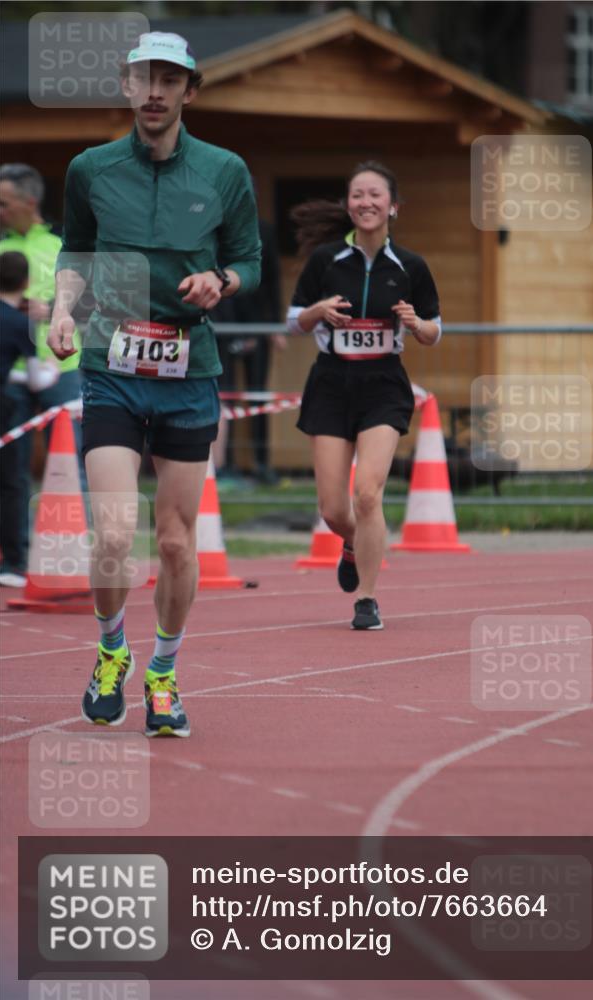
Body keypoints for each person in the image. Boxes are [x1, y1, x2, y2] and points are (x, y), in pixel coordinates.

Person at [47, 32, 261, 737]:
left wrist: (220, 281)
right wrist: (60, 311)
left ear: (189, 91)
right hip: (110, 361)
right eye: (143, 78)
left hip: (186, 374)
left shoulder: (225, 169)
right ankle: (111, 651)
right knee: (112, 533)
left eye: (168, 79)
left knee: (173, 542)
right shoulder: (91, 167)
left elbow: (248, 262)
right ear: (126, 84)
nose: (154, 91)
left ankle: (163, 673)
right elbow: (74, 249)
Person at [287, 161, 441, 631]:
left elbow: (435, 331)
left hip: (382, 387)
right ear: (348, 205)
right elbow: (293, 322)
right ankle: (353, 542)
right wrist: (316, 311)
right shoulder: (325, 261)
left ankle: (367, 599)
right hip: (331, 384)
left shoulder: (411, 266)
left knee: (368, 494)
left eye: (375, 195)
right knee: (335, 509)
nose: (366, 202)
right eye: (357, 195)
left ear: (393, 206)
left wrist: (417, 325)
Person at [0, 163, 83, 566]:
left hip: (63, 369)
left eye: (4, 203)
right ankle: (16, 559)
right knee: (10, 470)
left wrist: (51, 309)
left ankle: (72, 556)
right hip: (10, 373)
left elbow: (105, 300)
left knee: (70, 465)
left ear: (29, 203)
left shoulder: (64, 244)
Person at [0, 251, 60, 586]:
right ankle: (11, 563)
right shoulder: (20, 323)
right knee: (9, 481)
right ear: (24, 283)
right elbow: (37, 380)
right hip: (1, 407)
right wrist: (50, 372)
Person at [212, 217, 285, 485]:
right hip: (223, 323)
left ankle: (261, 463)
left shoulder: (264, 230)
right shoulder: (215, 227)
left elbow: (273, 279)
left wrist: (275, 325)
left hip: (258, 324)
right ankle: (225, 465)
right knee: (225, 395)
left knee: (257, 395)